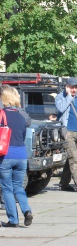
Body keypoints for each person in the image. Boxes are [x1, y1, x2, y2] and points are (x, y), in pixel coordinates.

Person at [0, 85, 33, 227]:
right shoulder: (21, 116)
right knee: (18, 187)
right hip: (21, 155)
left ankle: (13, 220)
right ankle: (27, 211)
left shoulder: (1, 114)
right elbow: (23, 135)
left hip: (6, 155)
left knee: (7, 188)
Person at [55, 77, 77, 193]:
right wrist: (69, 96)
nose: (74, 90)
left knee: (71, 158)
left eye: (76, 87)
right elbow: (60, 108)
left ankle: (64, 183)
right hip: (67, 132)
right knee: (74, 158)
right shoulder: (60, 97)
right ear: (67, 87)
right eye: (72, 87)